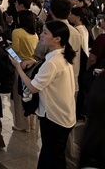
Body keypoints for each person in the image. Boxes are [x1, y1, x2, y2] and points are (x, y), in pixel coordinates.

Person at [10, 21, 77, 169]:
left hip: (54, 117)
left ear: (57, 39)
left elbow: (33, 87)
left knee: (52, 156)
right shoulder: (61, 55)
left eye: (45, 33)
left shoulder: (52, 63)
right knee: (53, 153)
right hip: (64, 114)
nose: (41, 35)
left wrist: (18, 68)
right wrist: (34, 62)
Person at [10, 11, 39, 132]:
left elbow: (15, 50)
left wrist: (8, 51)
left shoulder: (17, 32)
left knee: (19, 96)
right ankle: (32, 124)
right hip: (33, 66)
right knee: (30, 95)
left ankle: (22, 125)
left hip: (21, 65)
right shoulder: (35, 34)